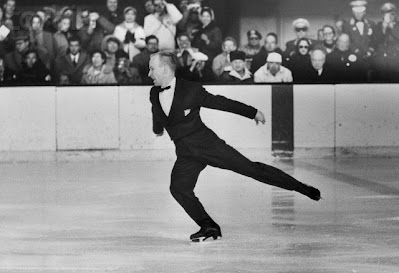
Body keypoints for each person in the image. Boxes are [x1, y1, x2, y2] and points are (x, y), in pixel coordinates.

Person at [148, 51, 321, 242]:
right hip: (186, 153)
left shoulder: (191, 89)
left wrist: (252, 112)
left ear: (164, 69)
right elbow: (157, 113)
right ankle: (209, 227)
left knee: (252, 169)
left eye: (152, 69)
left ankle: (301, 187)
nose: (149, 74)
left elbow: (221, 103)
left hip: (208, 145)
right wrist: (157, 130)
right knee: (178, 188)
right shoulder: (154, 93)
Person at [371, 2, 399, 82]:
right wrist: (383, 27)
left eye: (392, 14)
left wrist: (392, 28)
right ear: (383, 15)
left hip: (395, 61)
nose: (390, 16)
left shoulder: (398, 26)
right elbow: (374, 42)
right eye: (387, 14)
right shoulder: (377, 27)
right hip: (380, 62)